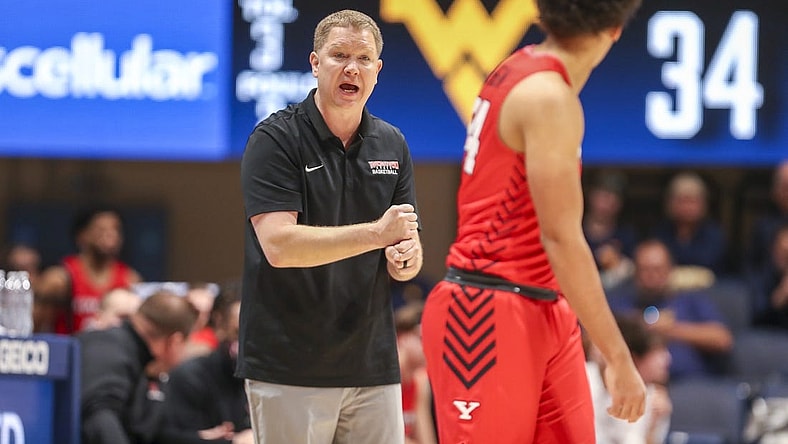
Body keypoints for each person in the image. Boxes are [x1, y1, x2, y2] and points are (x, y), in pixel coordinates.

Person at [420, 1, 647, 442]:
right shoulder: (548, 97)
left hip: (546, 307)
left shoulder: (517, 67)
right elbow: (561, 239)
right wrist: (618, 355)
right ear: (616, 29)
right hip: (485, 306)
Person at [237, 9, 422, 444]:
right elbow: (279, 246)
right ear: (316, 63)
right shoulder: (276, 139)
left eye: (363, 58)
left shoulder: (392, 143)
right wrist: (377, 235)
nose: (351, 67)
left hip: (372, 365)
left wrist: (406, 258)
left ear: (377, 70)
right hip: (289, 364)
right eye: (339, 55)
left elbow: (406, 253)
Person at [79, 290, 198, 444]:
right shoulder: (110, 350)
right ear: (175, 342)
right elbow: (99, 417)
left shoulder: (142, 360)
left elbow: (155, 433)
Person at [607, 239, 734, 380]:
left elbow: (722, 339)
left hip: (688, 385)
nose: (651, 276)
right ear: (635, 272)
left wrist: (671, 329)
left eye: (657, 269)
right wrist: (636, 328)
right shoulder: (620, 302)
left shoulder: (690, 300)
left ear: (670, 269)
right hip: (633, 384)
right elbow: (589, 340)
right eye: (645, 269)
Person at [159, 283, 254, 444]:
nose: (244, 344)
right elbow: (169, 438)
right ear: (219, 323)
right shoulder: (190, 377)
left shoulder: (274, 379)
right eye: (237, 333)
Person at [35, 206, 142, 334]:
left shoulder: (130, 279)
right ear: (82, 236)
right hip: (70, 349)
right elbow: (35, 326)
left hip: (111, 351)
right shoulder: (60, 278)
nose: (110, 235)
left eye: (116, 229)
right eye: (101, 229)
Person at [585, 314, 672, 444]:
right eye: (657, 353)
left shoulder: (652, 398)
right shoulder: (584, 377)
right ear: (633, 357)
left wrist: (652, 429)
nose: (667, 359)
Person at [652, 171, 727, 277]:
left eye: (692, 201)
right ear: (670, 204)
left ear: (703, 205)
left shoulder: (714, 234)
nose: (687, 207)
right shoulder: (660, 232)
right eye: (682, 201)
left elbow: (707, 264)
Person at [583, 172, 638, 291]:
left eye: (612, 198)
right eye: (602, 196)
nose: (606, 204)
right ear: (591, 196)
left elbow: (636, 273)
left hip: (614, 295)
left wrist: (617, 264)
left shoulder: (626, 235)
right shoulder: (576, 229)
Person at [395, 302, 437, 444]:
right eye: (422, 338)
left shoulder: (420, 381)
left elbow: (427, 440)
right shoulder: (381, 378)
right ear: (402, 338)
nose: (430, 346)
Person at [746, 161, 788, 274]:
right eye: (785, 187)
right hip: (769, 285)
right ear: (775, 192)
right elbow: (750, 268)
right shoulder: (763, 226)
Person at [748, 223, 788, 329]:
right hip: (767, 337)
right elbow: (757, 317)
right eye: (783, 252)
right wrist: (782, 294)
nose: (785, 259)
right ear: (773, 250)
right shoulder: (760, 278)